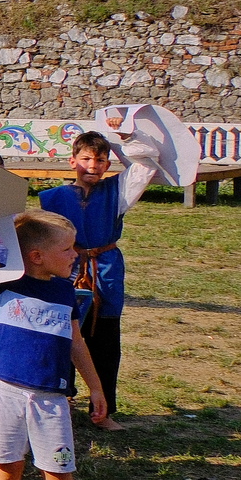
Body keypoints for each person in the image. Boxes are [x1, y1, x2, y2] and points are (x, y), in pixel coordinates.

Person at [0, 210, 110, 480]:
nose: (75, 255)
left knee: (59, 476)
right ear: (37, 255)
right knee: (7, 469)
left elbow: (76, 342)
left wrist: (96, 386)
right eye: (67, 249)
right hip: (6, 395)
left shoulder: (65, 291)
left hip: (52, 401)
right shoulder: (7, 281)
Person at [38, 130, 157, 430]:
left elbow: (146, 164)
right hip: (66, 270)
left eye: (100, 159)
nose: (93, 165)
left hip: (104, 272)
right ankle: (60, 400)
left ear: (108, 164)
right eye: (86, 158)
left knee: (104, 341)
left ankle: (103, 411)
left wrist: (125, 135)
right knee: (61, 335)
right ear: (72, 161)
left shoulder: (118, 192)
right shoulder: (51, 197)